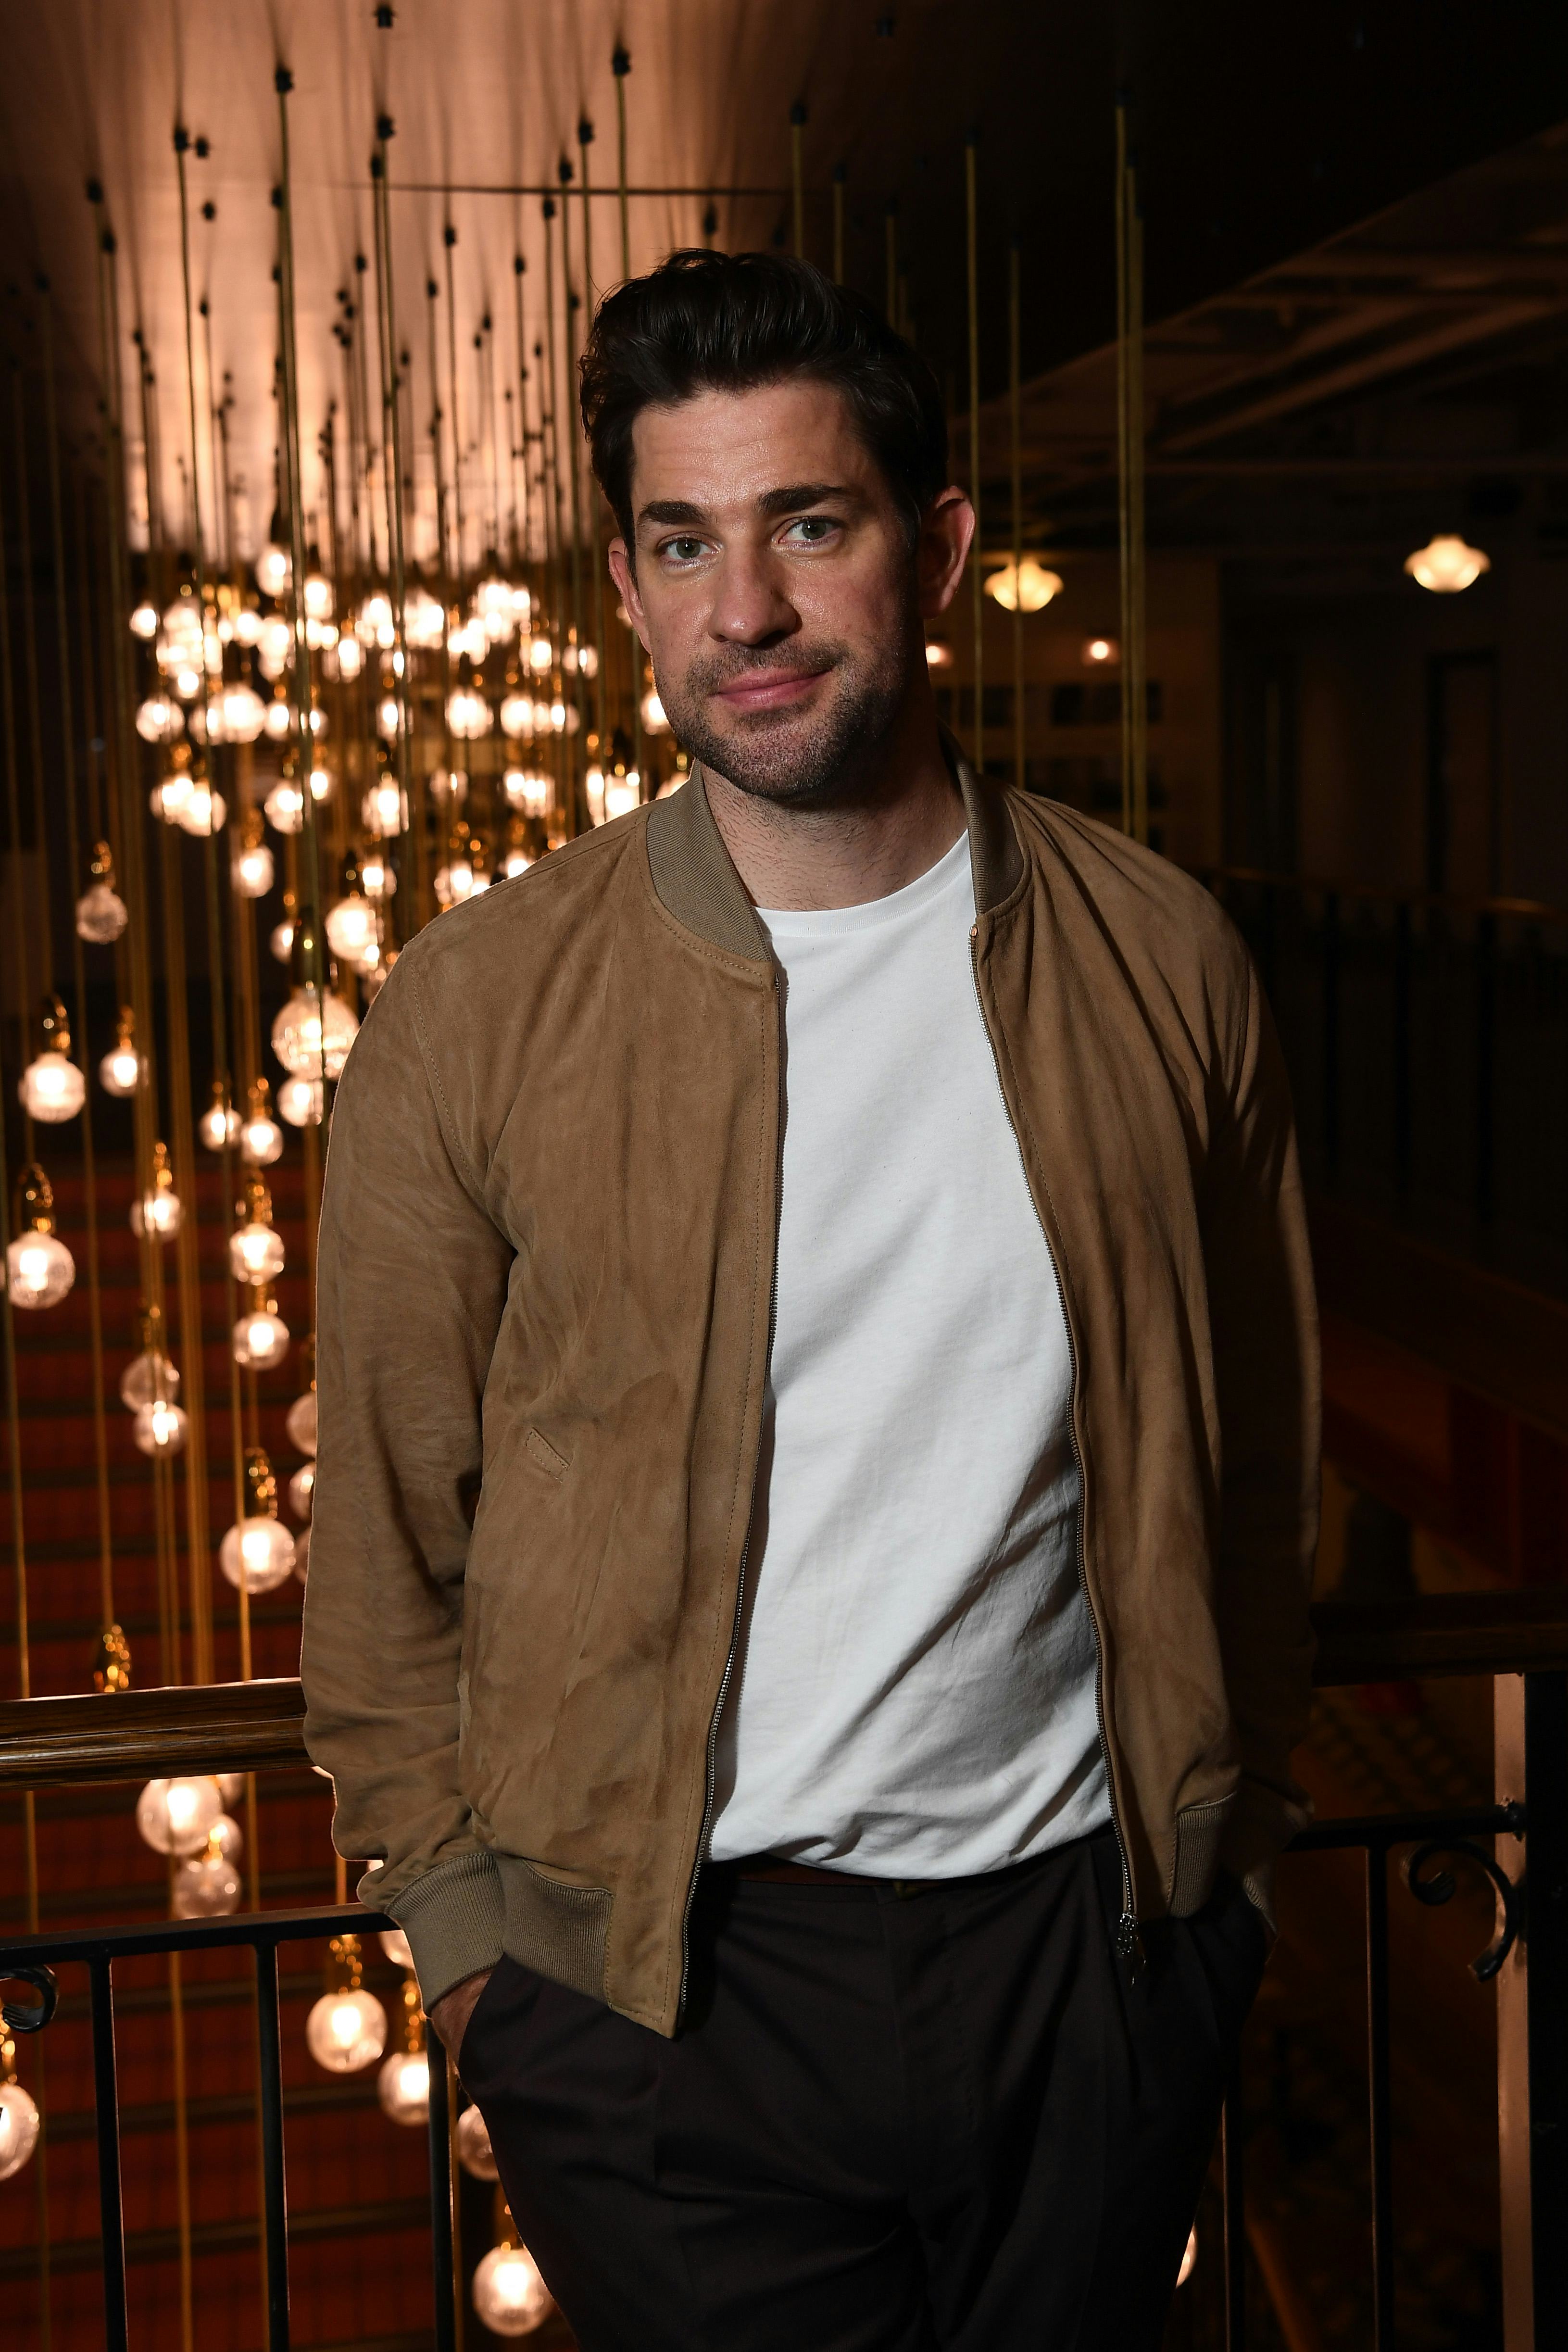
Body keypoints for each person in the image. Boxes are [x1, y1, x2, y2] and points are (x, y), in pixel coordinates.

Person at [301, 249, 1318, 2352]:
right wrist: (478, 1950)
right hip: (661, 2004)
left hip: (1089, 1955)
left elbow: (1259, 1462)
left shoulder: (1165, 962)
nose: (742, 610)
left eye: (809, 524)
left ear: (936, 548)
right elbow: (387, 1539)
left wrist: (1232, 1882)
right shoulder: (477, 1012)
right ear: (626, 582)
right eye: (684, 542)